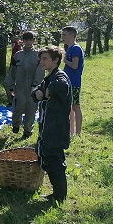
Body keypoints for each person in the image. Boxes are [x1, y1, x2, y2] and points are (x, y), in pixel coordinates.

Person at [32, 45, 72, 203]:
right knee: (46, 156)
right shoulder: (48, 77)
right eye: (40, 59)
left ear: (55, 60)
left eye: (45, 59)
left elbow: (62, 85)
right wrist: (37, 92)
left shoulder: (59, 76)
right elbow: (36, 91)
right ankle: (57, 193)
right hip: (47, 127)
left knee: (55, 161)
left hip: (56, 128)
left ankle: (59, 196)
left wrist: (49, 91)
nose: (41, 61)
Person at [4, 31, 44, 138]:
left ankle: (27, 130)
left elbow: (40, 71)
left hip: (33, 87)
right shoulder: (17, 55)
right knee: (18, 107)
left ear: (34, 41)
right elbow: (12, 72)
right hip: (20, 87)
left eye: (30, 40)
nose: (28, 42)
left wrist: (36, 84)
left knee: (31, 109)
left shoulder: (38, 55)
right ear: (23, 41)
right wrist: (10, 85)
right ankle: (16, 125)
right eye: (26, 40)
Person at [61, 25, 84, 136]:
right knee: (69, 107)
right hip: (69, 82)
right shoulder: (71, 48)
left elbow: (75, 66)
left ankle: (78, 133)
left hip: (74, 82)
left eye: (64, 35)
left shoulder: (75, 48)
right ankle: (71, 132)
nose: (62, 37)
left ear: (71, 35)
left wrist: (65, 61)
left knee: (75, 107)